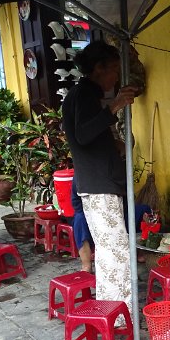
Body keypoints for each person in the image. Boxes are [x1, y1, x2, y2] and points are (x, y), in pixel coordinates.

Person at [62, 41, 138, 310]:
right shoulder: (82, 94)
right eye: (113, 70)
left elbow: (88, 137)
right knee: (115, 254)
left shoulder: (85, 95)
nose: (116, 77)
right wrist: (115, 106)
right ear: (98, 68)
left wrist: (114, 143)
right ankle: (118, 313)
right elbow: (82, 135)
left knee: (112, 253)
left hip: (99, 185)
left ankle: (116, 311)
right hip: (99, 188)